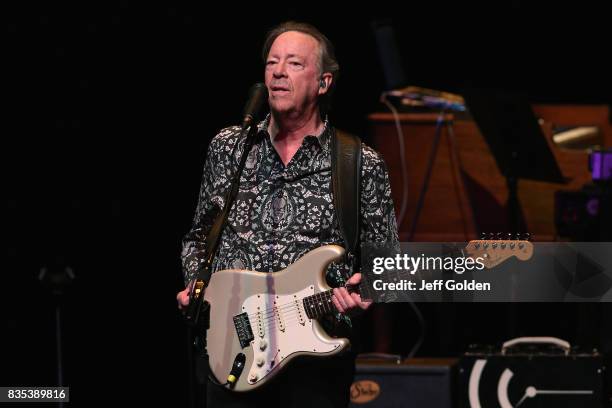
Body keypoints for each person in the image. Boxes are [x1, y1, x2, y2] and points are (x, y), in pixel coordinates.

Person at [177, 21, 399, 408]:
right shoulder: (228, 148)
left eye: (294, 63)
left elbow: (388, 262)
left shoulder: (359, 163)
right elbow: (199, 237)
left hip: (314, 365)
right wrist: (198, 284)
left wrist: (367, 291)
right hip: (232, 350)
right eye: (272, 62)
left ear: (324, 82)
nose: (278, 71)